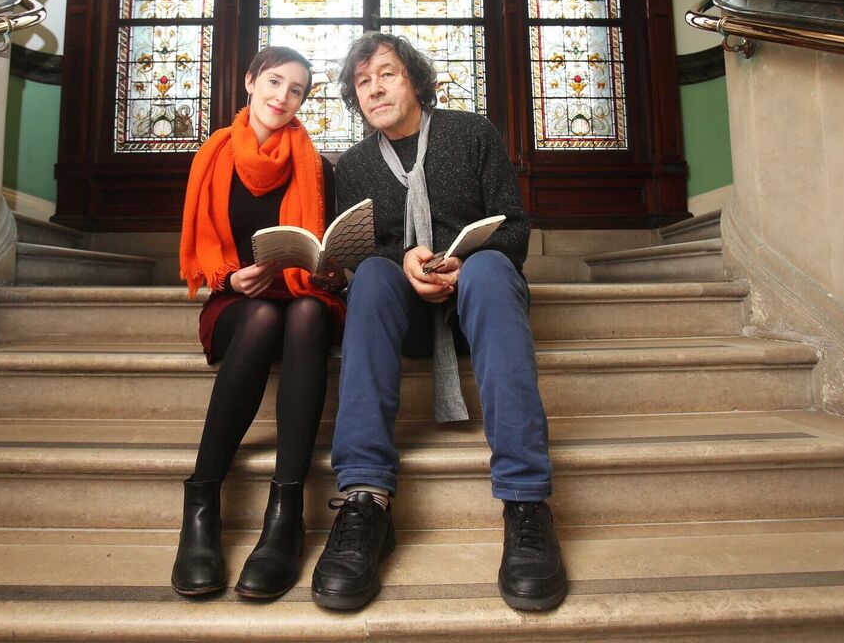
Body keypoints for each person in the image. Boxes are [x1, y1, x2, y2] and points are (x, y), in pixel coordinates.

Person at [309, 32, 566, 612]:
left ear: (415, 79)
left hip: (476, 308)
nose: (374, 88)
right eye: (362, 81)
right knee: (372, 277)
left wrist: (463, 261)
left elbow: (516, 229)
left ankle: (526, 501)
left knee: (493, 268)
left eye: (387, 73)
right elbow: (355, 255)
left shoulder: (471, 134)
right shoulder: (351, 166)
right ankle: (364, 499)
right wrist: (399, 260)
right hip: (401, 320)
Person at [174, 46, 343, 600]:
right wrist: (228, 280)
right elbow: (202, 253)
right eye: (274, 82)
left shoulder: (314, 162)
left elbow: (330, 254)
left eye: (296, 90)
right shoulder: (215, 154)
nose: (282, 97)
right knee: (264, 315)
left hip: (303, 296)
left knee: (307, 314)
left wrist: (329, 270)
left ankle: (285, 513)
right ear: (249, 81)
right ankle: (202, 503)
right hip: (237, 302)